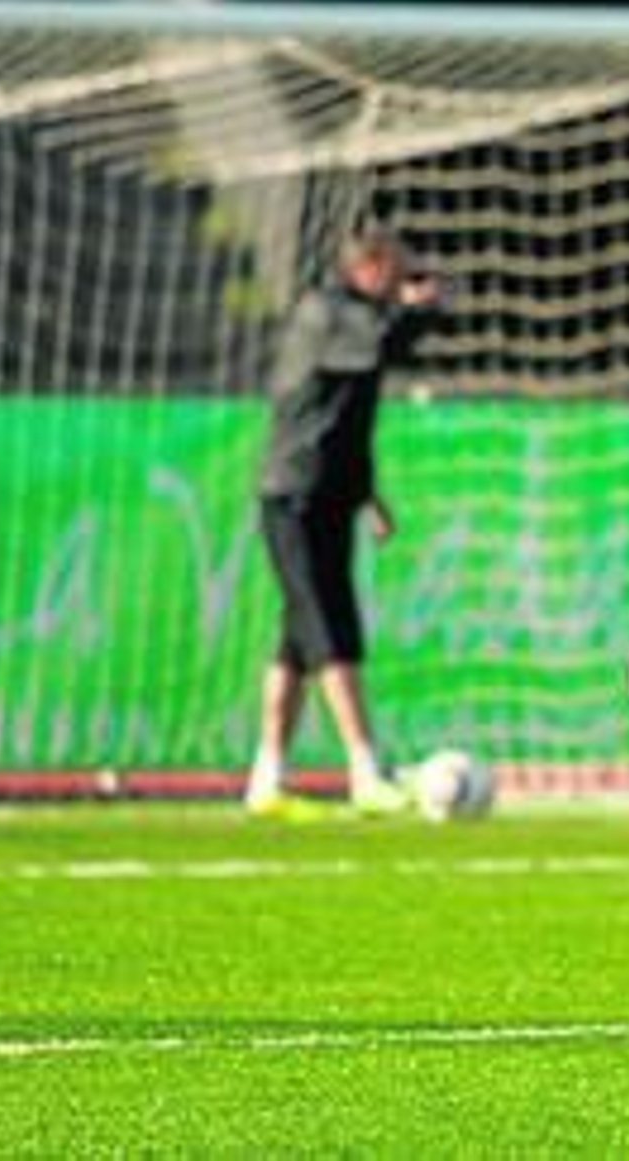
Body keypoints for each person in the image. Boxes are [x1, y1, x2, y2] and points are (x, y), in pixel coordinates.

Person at [248, 224, 449, 819]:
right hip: (293, 496)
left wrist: (369, 497)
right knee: (330, 626)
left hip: (331, 494)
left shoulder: (360, 320)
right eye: (397, 270)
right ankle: (365, 769)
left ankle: (266, 779)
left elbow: (346, 417)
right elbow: (380, 342)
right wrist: (414, 309)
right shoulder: (328, 313)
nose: (402, 282)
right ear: (371, 265)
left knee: (296, 638)